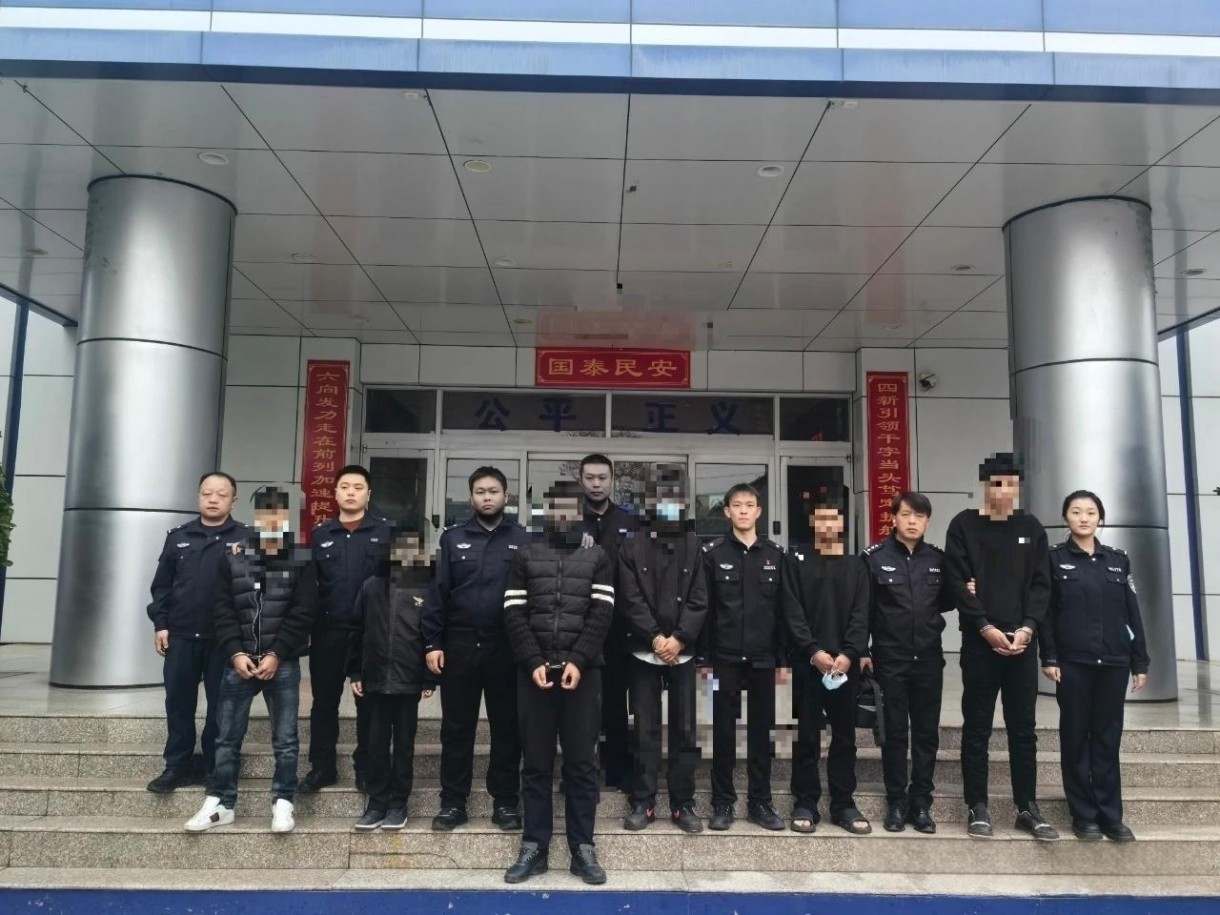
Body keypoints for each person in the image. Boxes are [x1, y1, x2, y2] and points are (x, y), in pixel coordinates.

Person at [186, 486, 316, 834]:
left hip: (282, 663)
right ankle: (221, 802)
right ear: (256, 516)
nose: (271, 518)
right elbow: (222, 609)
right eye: (265, 512)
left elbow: (303, 613)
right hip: (239, 662)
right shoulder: (234, 555)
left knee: (286, 740)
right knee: (226, 738)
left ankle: (283, 802)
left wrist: (277, 653)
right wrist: (235, 652)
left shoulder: (301, 558)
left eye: (278, 512)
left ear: (287, 517)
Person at [503, 481, 614, 886]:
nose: (561, 515)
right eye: (554, 508)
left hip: (582, 676)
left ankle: (582, 848)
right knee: (535, 764)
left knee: (582, 765)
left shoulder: (597, 556)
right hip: (534, 675)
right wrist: (532, 660)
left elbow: (602, 613)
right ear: (543, 513)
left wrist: (579, 660)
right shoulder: (526, 554)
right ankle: (534, 846)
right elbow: (513, 612)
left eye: (569, 508)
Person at [945, 453, 1057, 841]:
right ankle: (977, 805)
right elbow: (957, 582)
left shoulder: (1031, 528)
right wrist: (983, 626)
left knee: (1023, 729)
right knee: (977, 727)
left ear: (1018, 486)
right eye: (997, 483)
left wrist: (1028, 628)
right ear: (985, 485)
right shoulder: (963, 525)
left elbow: (1041, 585)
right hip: (980, 644)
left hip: (1022, 646)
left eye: (1011, 484)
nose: (1004, 491)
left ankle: (1027, 807)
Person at [423, 466, 528, 832]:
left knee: (507, 728)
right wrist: (433, 642)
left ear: (506, 496)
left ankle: (506, 802)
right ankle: (453, 802)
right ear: (471, 497)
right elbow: (437, 593)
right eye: (480, 491)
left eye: (493, 491)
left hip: (506, 648)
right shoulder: (453, 539)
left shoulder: (522, 539)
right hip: (460, 646)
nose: (487, 497)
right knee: (456, 729)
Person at [1043, 491, 1149, 843]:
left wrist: (1140, 661)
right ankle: (1083, 814)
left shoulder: (1117, 560)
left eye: (1090, 512)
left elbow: (1132, 613)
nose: (1084, 518)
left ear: (1100, 518)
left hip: (1114, 663)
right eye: (1076, 512)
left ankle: (1111, 816)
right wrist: (1050, 657)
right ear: (1066, 518)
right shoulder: (1054, 559)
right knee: (1075, 737)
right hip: (1073, 663)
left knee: (1107, 739)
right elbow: (1047, 615)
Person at [617, 464, 708, 833]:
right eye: (660, 495)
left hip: (683, 651)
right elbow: (629, 598)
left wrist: (679, 638)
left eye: (674, 495)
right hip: (643, 650)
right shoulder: (630, 544)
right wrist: (655, 637)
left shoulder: (694, 544)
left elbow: (700, 599)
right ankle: (644, 801)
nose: (667, 502)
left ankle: (682, 803)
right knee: (645, 729)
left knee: (685, 730)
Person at [146, 472, 250, 793]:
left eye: (221, 494)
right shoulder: (178, 537)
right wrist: (161, 624)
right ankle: (176, 765)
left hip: (226, 640)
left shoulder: (247, 538)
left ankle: (215, 765)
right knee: (178, 702)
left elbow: (254, 592)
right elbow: (162, 586)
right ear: (198, 496)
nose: (213, 499)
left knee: (222, 706)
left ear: (233, 500)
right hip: (181, 635)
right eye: (207, 493)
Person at [861, 491, 954, 834]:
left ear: (927, 521)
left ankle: (921, 804)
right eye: (906, 514)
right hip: (891, 660)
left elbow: (947, 601)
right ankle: (897, 803)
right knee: (895, 734)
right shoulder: (874, 558)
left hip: (928, 660)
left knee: (927, 734)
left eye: (919, 516)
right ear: (894, 518)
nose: (912, 521)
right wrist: (861, 650)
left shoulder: (939, 560)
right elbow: (864, 609)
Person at [701, 483, 787, 833]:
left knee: (761, 733)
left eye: (750, 505)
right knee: (723, 731)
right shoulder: (712, 554)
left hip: (764, 658)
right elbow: (705, 610)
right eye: (737, 505)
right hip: (723, 658)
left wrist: (783, 660)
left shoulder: (776, 555)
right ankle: (722, 802)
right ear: (727, 511)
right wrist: (704, 659)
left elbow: (784, 612)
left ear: (759, 511)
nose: (743, 511)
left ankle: (760, 802)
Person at [783, 489, 870, 835]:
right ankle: (805, 801)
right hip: (809, 664)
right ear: (812, 521)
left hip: (845, 667)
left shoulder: (857, 565)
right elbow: (792, 612)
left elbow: (862, 614)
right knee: (806, 736)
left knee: (845, 737)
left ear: (842, 523)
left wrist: (850, 653)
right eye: (821, 518)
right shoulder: (796, 562)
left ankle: (843, 803)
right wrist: (812, 651)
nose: (827, 524)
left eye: (833, 518)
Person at [300, 465, 391, 795]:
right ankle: (322, 767)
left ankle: (366, 767)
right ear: (335, 493)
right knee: (324, 702)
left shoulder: (385, 533)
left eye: (358, 487)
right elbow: (308, 587)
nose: (351, 492)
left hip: (371, 635)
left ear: (369, 494)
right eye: (345, 487)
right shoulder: (320, 535)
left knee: (370, 704)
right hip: (328, 632)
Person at [348, 530, 437, 831]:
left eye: (414, 549)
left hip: (408, 681)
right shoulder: (371, 586)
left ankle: (398, 803)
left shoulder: (426, 588)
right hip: (374, 680)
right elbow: (356, 630)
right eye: (401, 548)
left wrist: (429, 678)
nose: (407, 554)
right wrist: (355, 671)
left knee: (404, 745)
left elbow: (431, 634)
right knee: (375, 745)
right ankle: (376, 803)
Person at [578, 453, 637, 793]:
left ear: (612, 480)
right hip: (579, 624)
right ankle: (580, 769)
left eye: (602, 477)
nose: (596, 484)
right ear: (581, 480)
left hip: (619, 626)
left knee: (616, 700)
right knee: (581, 702)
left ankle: (618, 769)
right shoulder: (568, 521)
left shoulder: (630, 522)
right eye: (590, 477)